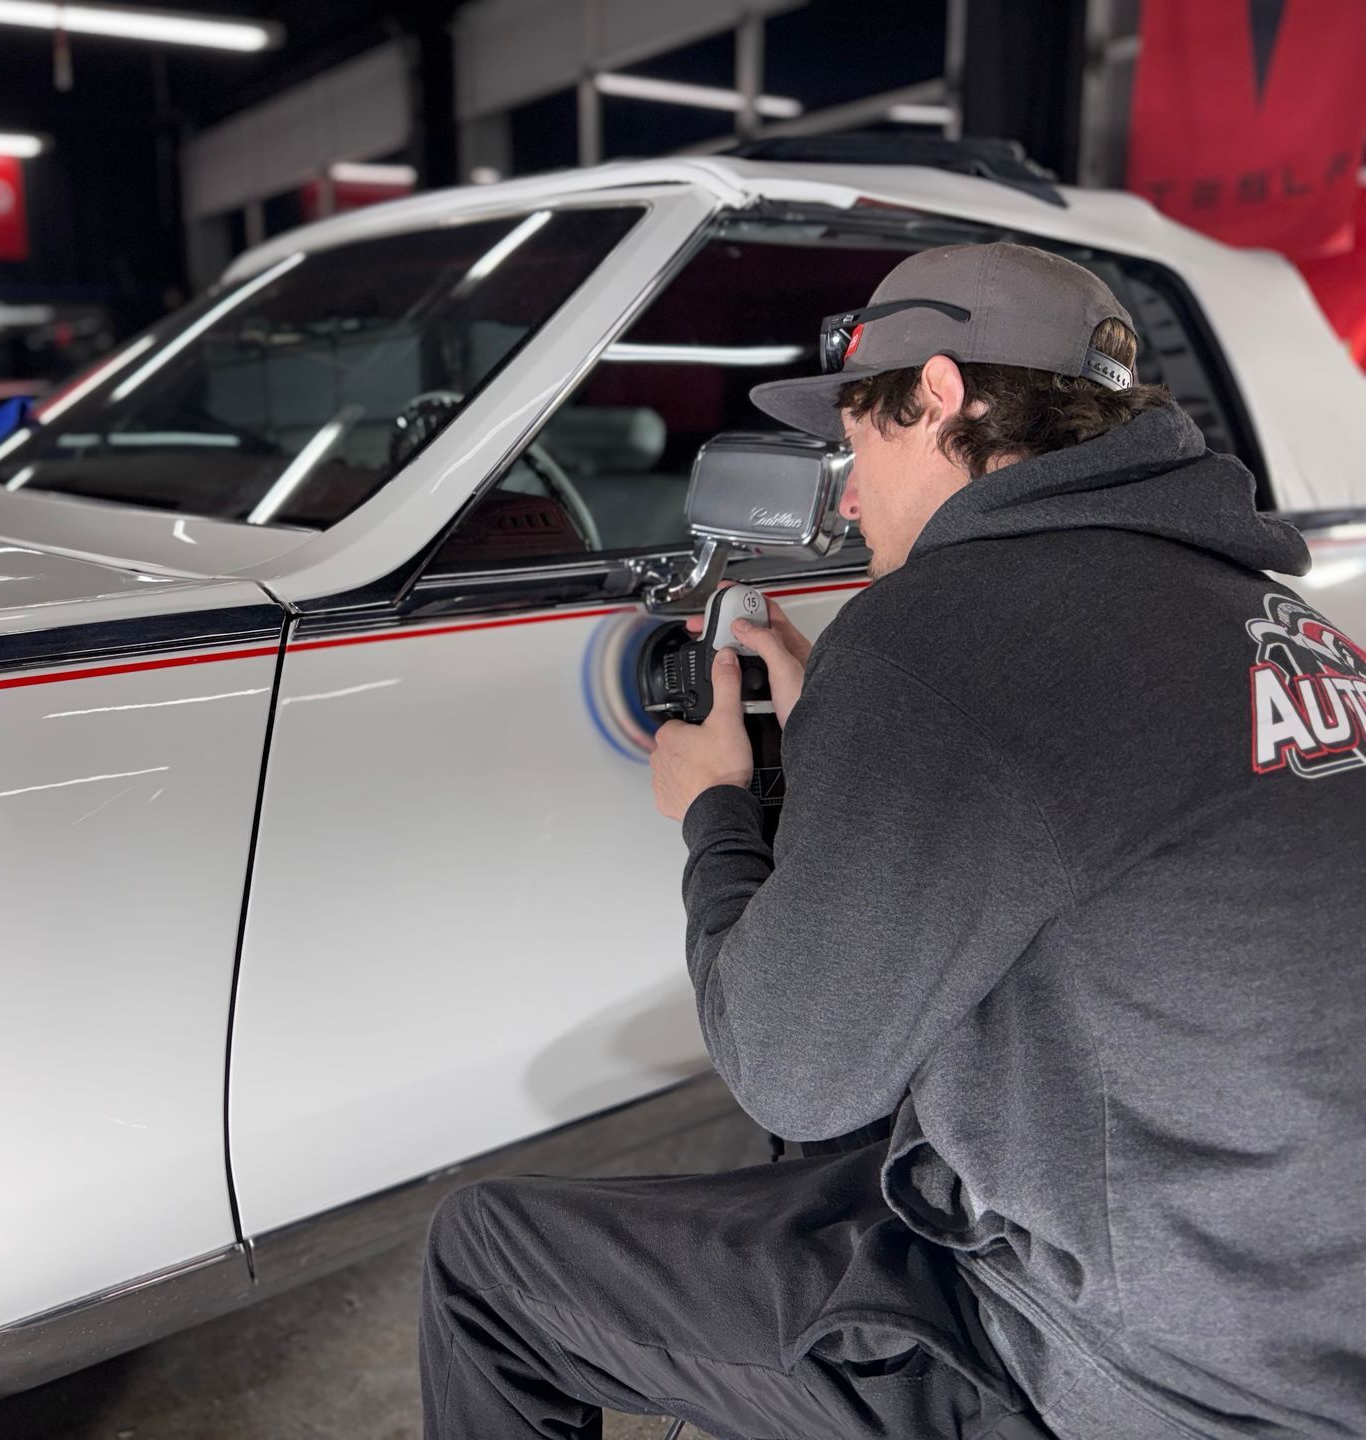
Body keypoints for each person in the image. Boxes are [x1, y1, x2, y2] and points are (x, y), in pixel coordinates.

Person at [417, 242, 1366, 1439]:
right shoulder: (1279, 616)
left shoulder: (935, 635)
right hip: (1317, 1314)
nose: (851, 499)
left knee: (487, 1264)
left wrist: (716, 811)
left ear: (942, 395)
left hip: (1161, 1376)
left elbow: (791, 1078)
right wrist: (848, 739)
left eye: (860, 445)